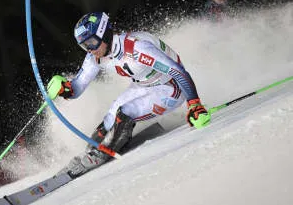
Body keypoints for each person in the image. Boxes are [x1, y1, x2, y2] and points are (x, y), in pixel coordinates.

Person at [49, 12, 210, 178]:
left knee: (127, 111)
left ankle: (102, 154)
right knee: (110, 118)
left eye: (91, 43)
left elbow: (178, 72)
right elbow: (77, 86)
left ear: (104, 34)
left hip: (170, 87)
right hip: (143, 84)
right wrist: (65, 89)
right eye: (84, 46)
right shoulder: (96, 56)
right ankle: (93, 150)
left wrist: (194, 104)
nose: (90, 49)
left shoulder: (137, 49)